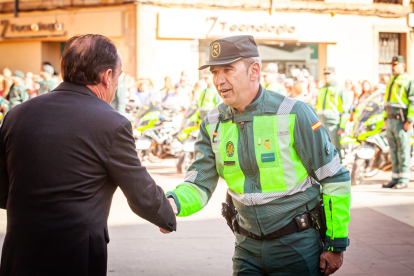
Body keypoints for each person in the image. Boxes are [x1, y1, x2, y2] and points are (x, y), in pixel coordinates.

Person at [164, 35, 350, 276]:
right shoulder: (212, 123)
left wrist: (336, 243)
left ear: (254, 71)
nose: (219, 80)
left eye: (228, 70)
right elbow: (200, 182)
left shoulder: (294, 113)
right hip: (246, 248)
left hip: (296, 246)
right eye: (214, 72)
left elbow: (334, 178)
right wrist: (173, 203)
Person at [0, 34, 176, 275]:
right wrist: (166, 215)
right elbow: (141, 192)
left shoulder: (17, 115)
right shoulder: (111, 123)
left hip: (18, 254)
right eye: (118, 77)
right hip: (74, 256)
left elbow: (3, 191)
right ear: (107, 76)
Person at [382, 55, 414, 189]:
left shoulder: (408, 80)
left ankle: (404, 178)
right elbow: (386, 102)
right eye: (392, 65)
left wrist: (410, 120)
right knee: (393, 151)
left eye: (396, 65)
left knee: (403, 150)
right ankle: (395, 177)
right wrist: (384, 118)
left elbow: (412, 102)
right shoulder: (391, 80)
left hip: (401, 121)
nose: (393, 67)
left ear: (403, 66)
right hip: (390, 120)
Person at [316, 67, 350, 161]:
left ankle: (338, 172)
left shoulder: (340, 89)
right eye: (325, 74)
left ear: (334, 74)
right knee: (322, 149)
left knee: (335, 149)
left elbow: (346, 110)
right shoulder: (321, 90)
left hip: (334, 125)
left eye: (329, 74)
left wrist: (342, 127)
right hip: (321, 125)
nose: (326, 76)